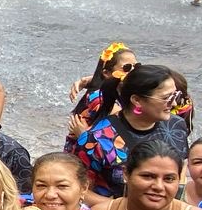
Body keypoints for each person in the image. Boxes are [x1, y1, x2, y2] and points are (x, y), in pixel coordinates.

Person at [70, 64, 189, 200]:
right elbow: (78, 189)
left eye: (176, 95)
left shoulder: (176, 126)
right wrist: (119, 208)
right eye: (167, 98)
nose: (174, 104)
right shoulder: (96, 139)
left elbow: (182, 168)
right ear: (137, 100)